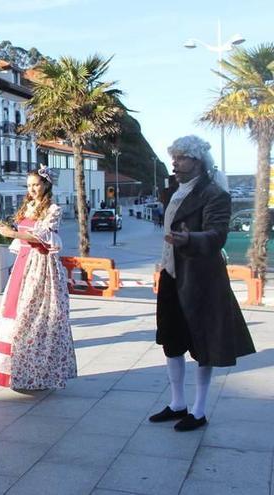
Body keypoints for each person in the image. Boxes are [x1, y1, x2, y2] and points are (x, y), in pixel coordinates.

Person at [149, 135, 255, 432]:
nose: (175, 162)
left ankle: (198, 410)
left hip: (200, 279)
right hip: (171, 276)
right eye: (175, 157)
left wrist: (190, 239)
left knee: (202, 342)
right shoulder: (173, 192)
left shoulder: (214, 194)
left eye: (182, 157)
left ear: (197, 162)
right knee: (171, 339)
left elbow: (217, 234)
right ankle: (177, 403)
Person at [0, 168, 77, 390]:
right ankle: (13, 370)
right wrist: (10, 231)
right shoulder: (28, 206)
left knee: (36, 315)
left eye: (36, 184)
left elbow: (42, 237)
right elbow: (23, 234)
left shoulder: (53, 209)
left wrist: (13, 234)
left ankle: (39, 372)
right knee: (14, 312)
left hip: (40, 265)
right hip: (23, 264)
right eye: (29, 185)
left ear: (46, 184)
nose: (32, 189)